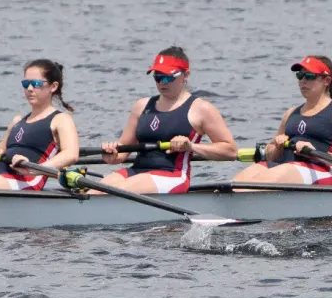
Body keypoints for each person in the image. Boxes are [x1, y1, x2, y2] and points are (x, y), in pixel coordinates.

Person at [99, 47, 237, 193]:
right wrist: (111, 154)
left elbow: (230, 151)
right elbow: (122, 151)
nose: (162, 83)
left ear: (185, 75)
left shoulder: (201, 109)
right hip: (136, 171)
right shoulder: (141, 106)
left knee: (116, 191)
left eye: (167, 77)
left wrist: (191, 147)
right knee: (93, 192)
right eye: (157, 77)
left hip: (173, 175)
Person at [0, 59, 80, 190]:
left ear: (53, 86)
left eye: (36, 83)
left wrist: (37, 169)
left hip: (27, 179)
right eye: (26, 84)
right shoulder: (17, 122)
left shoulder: (61, 119)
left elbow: (71, 154)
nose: (29, 88)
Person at [232, 56, 332, 185]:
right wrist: (277, 147)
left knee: (273, 175)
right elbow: (270, 154)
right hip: (285, 166)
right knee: (239, 180)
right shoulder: (291, 113)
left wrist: (319, 154)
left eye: (310, 76)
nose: (303, 81)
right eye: (300, 76)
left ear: (326, 81)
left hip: (319, 169)